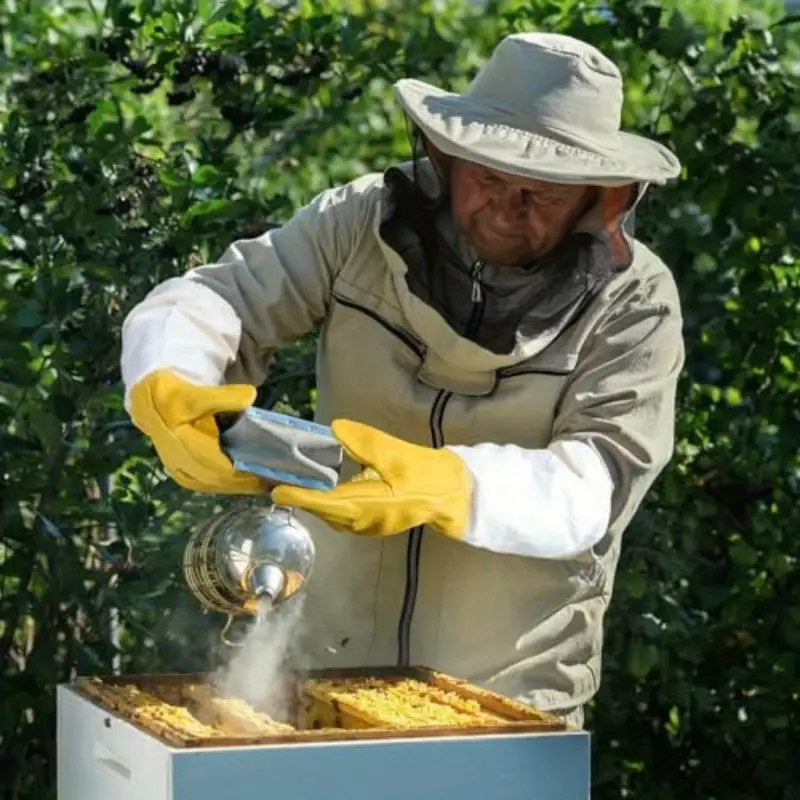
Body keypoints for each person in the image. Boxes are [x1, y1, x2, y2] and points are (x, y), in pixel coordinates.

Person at [120, 32, 685, 728]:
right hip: (325, 670)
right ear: (448, 158)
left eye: (541, 192)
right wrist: (168, 383)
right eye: (490, 177)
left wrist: (447, 485)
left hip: (511, 698)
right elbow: (221, 298)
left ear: (600, 198)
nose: (508, 207)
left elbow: (597, 483)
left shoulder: (636, 302)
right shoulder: (357, 224)